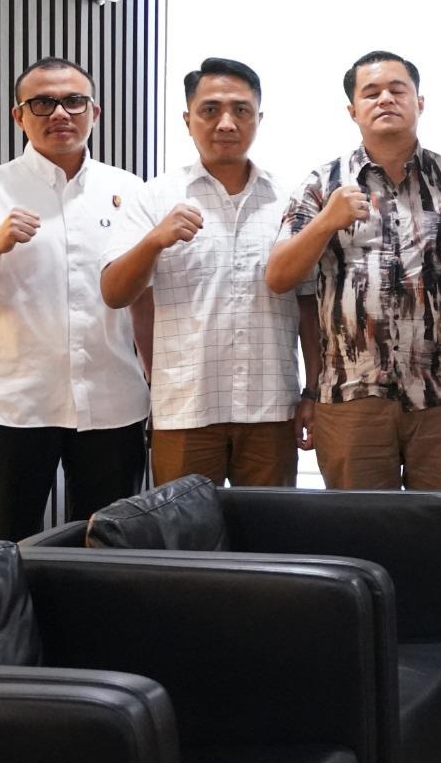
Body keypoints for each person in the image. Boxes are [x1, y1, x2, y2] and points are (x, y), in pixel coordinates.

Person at [266, 50, 441, 490]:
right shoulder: (323, 183)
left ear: (419, 102)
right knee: (360, 526)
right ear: (352, 110)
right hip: (350, 395)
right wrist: (326, 221)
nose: (385, 99)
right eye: (371, 92)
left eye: (398, 89)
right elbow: (279, 276)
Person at [0, 57, 149, 542]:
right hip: (14, 404)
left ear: (95, 111)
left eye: (74, 101)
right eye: (42, 103)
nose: (60, 113)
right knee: (2, 546)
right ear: (19, 116)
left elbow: (144, 300)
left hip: (113, 400)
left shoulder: (128, 190)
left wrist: (157, 383)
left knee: (110, 547)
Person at [100, 57, 302, 486]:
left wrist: (315, 391)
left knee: (269, 525)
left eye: (241, 110)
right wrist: (155, 240)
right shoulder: (154, 197)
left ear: (259, 119)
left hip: (271, 406)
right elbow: (115, 293)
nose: (226, 123)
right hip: (185, 406)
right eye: (210, 110)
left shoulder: (289, 199)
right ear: (187, 120)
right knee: (183, 526)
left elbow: (308, 301)